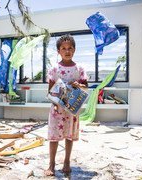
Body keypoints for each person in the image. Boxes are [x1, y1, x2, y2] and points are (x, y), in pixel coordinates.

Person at [45, 34, 88, 176]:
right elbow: (50, 90)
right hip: (57, 108)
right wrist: (55, 105)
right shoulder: (54, 69)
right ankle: (51, 164)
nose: (67, 51)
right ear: (58, 51)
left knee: (69, 136)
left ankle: (67, 162)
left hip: (72, 109)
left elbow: (85, 87)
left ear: (74, 50)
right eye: (63, 48)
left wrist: (78, 85)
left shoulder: (79, 68)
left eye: (70, 48)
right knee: (54, 136)